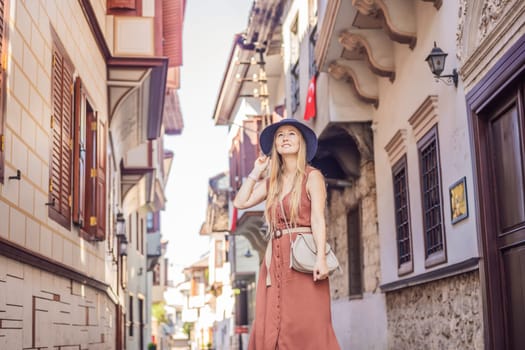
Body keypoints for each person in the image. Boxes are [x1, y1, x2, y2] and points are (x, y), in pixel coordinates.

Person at [233, 118, 341, 350]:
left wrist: (321, 258)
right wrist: (256, 171)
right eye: (280, 135)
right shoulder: (272, 182)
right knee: (272, 320)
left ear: (301, 142)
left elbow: (318, 219)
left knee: (306, 321)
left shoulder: (313, 177)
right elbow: (240, 202)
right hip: (275, 259)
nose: (285, 138)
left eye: (292, 134)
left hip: (303, 257)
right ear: (276, 146)